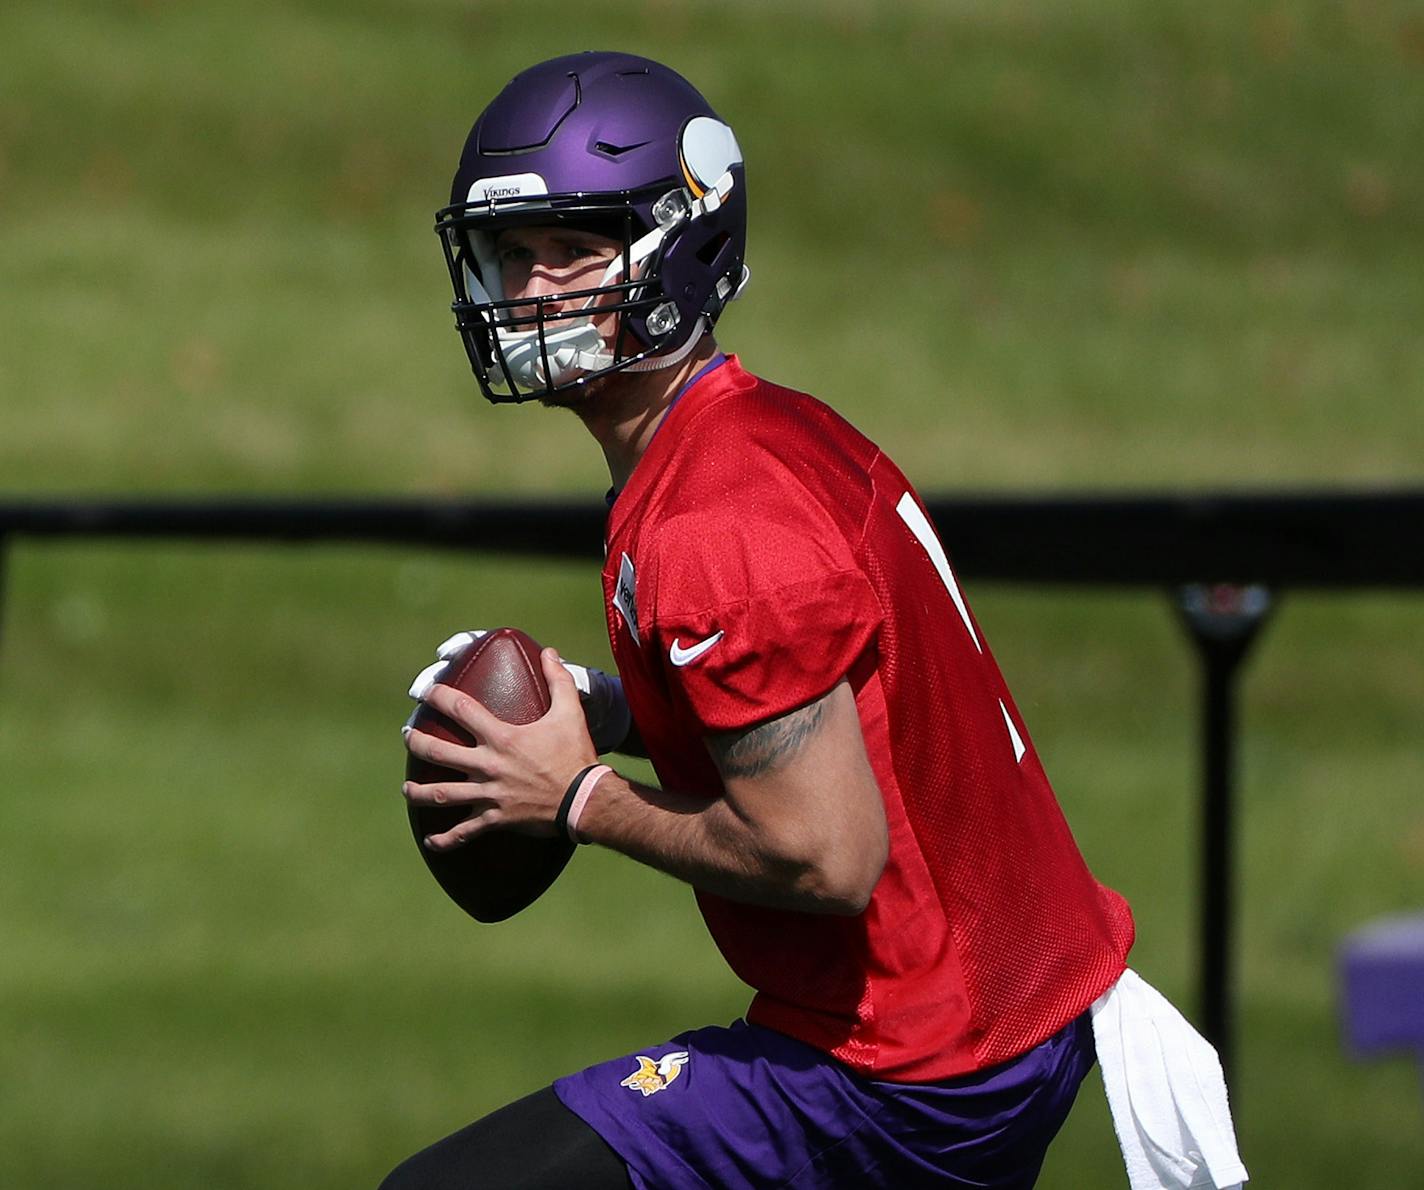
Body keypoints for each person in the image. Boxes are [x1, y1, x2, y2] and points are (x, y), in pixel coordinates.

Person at [382, 52, 1239, 1190]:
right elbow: (823, 709)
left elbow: (822, 852)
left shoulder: (714, 518)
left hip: (908, 1072)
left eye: (573, 248)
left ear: (675, 248)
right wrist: (608, 706)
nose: (531, 288)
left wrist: (577, 796)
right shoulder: (757, 435)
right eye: (509, 255)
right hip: (1002, 1014)